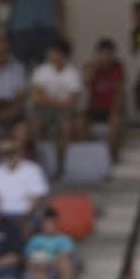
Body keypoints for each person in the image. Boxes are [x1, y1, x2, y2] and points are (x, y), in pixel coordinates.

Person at [28, 38, 82, 177]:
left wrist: (48, 100)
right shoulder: (41, 71)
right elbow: (37, 99)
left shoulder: (72, 73)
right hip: (44, 111)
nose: (50, 55)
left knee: (67, 127)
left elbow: (72, 103)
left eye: (54, 52)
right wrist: (60, 102)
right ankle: (39, 163)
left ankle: (62, 165)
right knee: (35, 126)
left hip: (65, 112)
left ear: (62, 55)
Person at [2, 0, 65, 67]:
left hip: (47, 30)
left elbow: (59, 3)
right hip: (20, 31)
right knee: (18, 69)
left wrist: (61, 31)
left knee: (47, 69)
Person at [82, 38, 125, 161]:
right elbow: (87, 83)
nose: (105, 57)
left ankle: (111, 158)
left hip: (111, 109)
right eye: (102, 53)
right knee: (80, 125)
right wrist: (94, 66)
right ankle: (90, 157)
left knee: (116, 123)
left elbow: (120, 92)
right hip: (94, 109)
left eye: (108, 54)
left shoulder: (118, 67)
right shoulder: (91, 66)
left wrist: (115, 111)